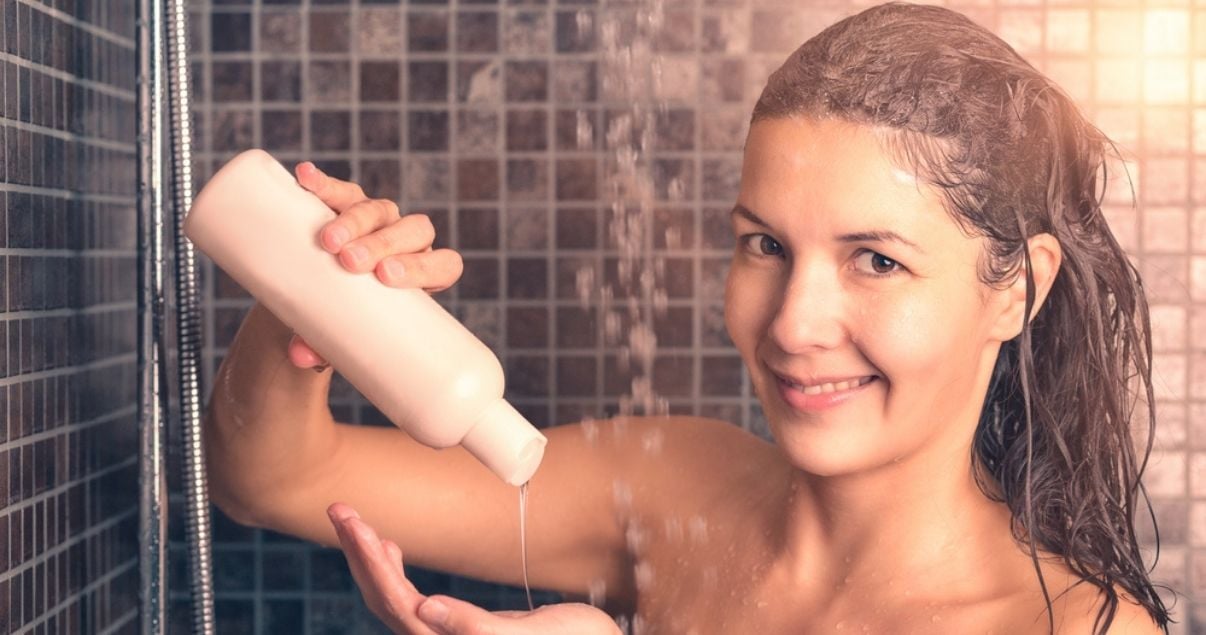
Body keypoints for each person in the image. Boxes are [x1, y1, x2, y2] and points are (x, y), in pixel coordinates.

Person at [204, 3, 1174, 633]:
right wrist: (315, 295)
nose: (795, 322)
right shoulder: (671, 494)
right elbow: (276, 477)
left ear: (1017, 288)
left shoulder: (1075, 627)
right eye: (764, 245)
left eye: (876, 259)